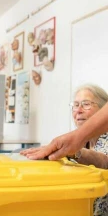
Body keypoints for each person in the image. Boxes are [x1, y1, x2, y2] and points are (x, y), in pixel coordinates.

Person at [21, 84, 108, 215]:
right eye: (75, 105)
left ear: (103, 109)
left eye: (86, 104)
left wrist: (76, 152)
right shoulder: (80, 140)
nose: (78, 110)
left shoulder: (81, 142)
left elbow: (105, 162)